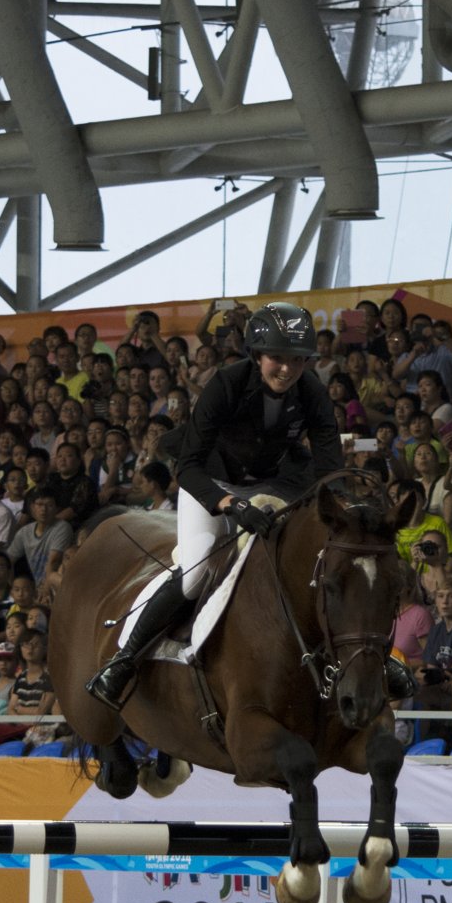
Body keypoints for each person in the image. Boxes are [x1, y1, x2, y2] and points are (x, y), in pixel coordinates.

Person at [90, 302, 345, 707]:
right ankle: (123, 660)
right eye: (277, 358)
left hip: (276, 483)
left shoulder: (311, 391)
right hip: (210, 482)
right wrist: (229, 504)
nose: (287, 369)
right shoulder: (226, 384)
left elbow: (331, 466)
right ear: (256, 355)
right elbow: (188, 466)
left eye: (297, 360)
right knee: (198, 566)